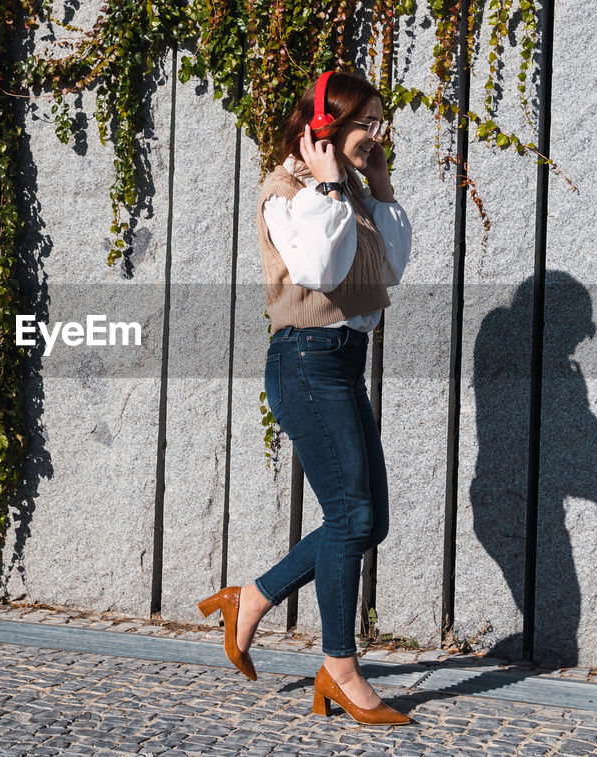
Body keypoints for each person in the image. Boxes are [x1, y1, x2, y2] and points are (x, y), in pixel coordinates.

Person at [198, 70, 413, 725]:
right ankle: (340, 667)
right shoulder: (285, 193)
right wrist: (325, 185)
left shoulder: (349, 192)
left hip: (344, 365)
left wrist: (376, 188)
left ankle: (253, 598)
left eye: (380, 123)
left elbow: (393, 266)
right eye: (367, 123)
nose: (378, 134)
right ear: (325, 126)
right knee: (351, 517)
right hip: (306, 363)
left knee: (366, 522)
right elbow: (317, 271)